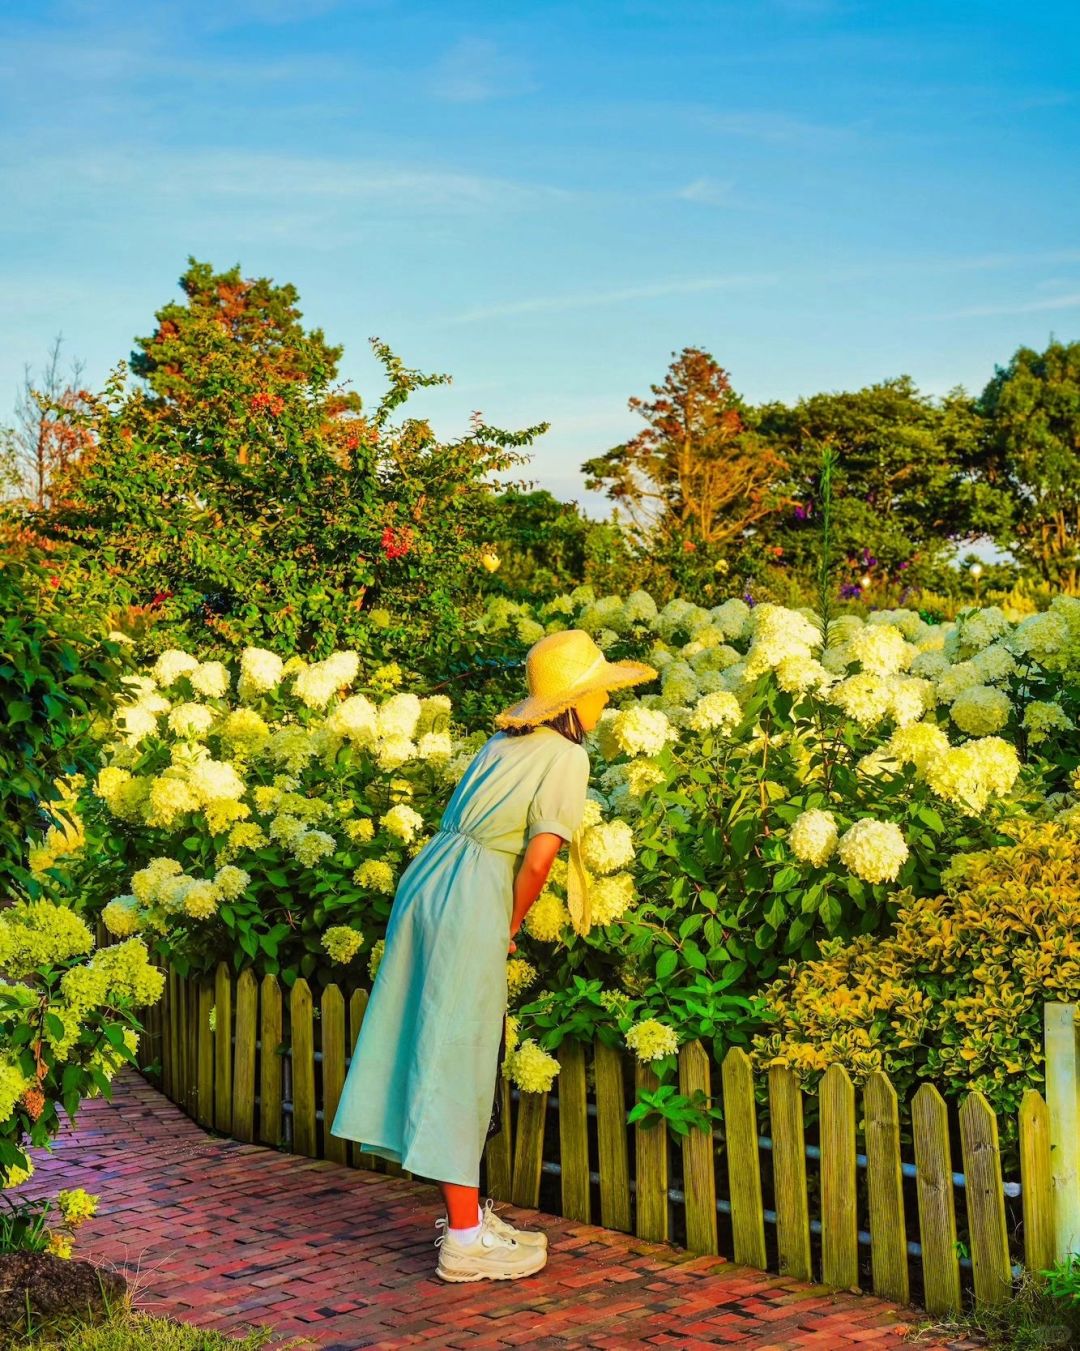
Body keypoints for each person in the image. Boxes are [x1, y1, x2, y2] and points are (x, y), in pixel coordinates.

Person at [329, 628, 657, 1283]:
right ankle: (465, 1238)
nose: (602, 707)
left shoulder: (504, 740)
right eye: (598, 695)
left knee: (445, 1039)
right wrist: (508, 920)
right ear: (577, 701)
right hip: (473, 890)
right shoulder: (566, 756)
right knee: (461, 1053)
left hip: (433, 875)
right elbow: (539, 857)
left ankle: (470, 1210)